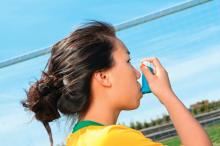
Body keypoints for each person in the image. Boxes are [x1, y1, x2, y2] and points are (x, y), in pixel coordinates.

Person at [22, 21, 212, 146]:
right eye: (128, 61)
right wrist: (168, 96)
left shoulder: (78, 140)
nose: (137, 73)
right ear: (103, 77)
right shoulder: (111, 139)